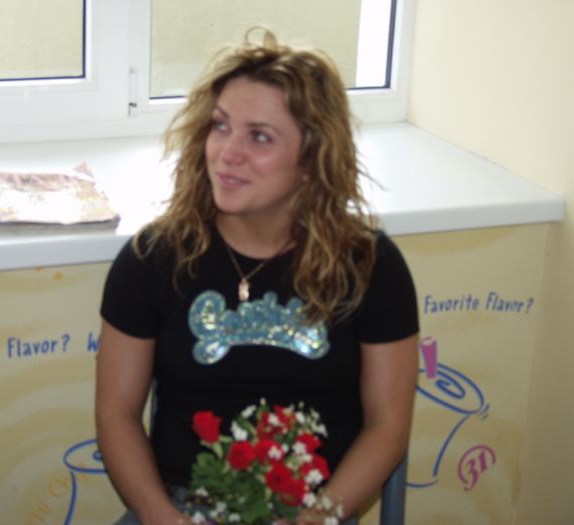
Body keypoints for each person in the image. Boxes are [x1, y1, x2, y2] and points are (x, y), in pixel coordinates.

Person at [95, 28, 419, 525]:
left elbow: (387, 428)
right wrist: (164, 518)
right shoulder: (153, 259)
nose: (227, 152)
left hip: (314, 512)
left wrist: (314, 519)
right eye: (220, 126)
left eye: (260, 136)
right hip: (178, 509)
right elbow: (116, 414)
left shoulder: (369, 266)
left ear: (311, 160)